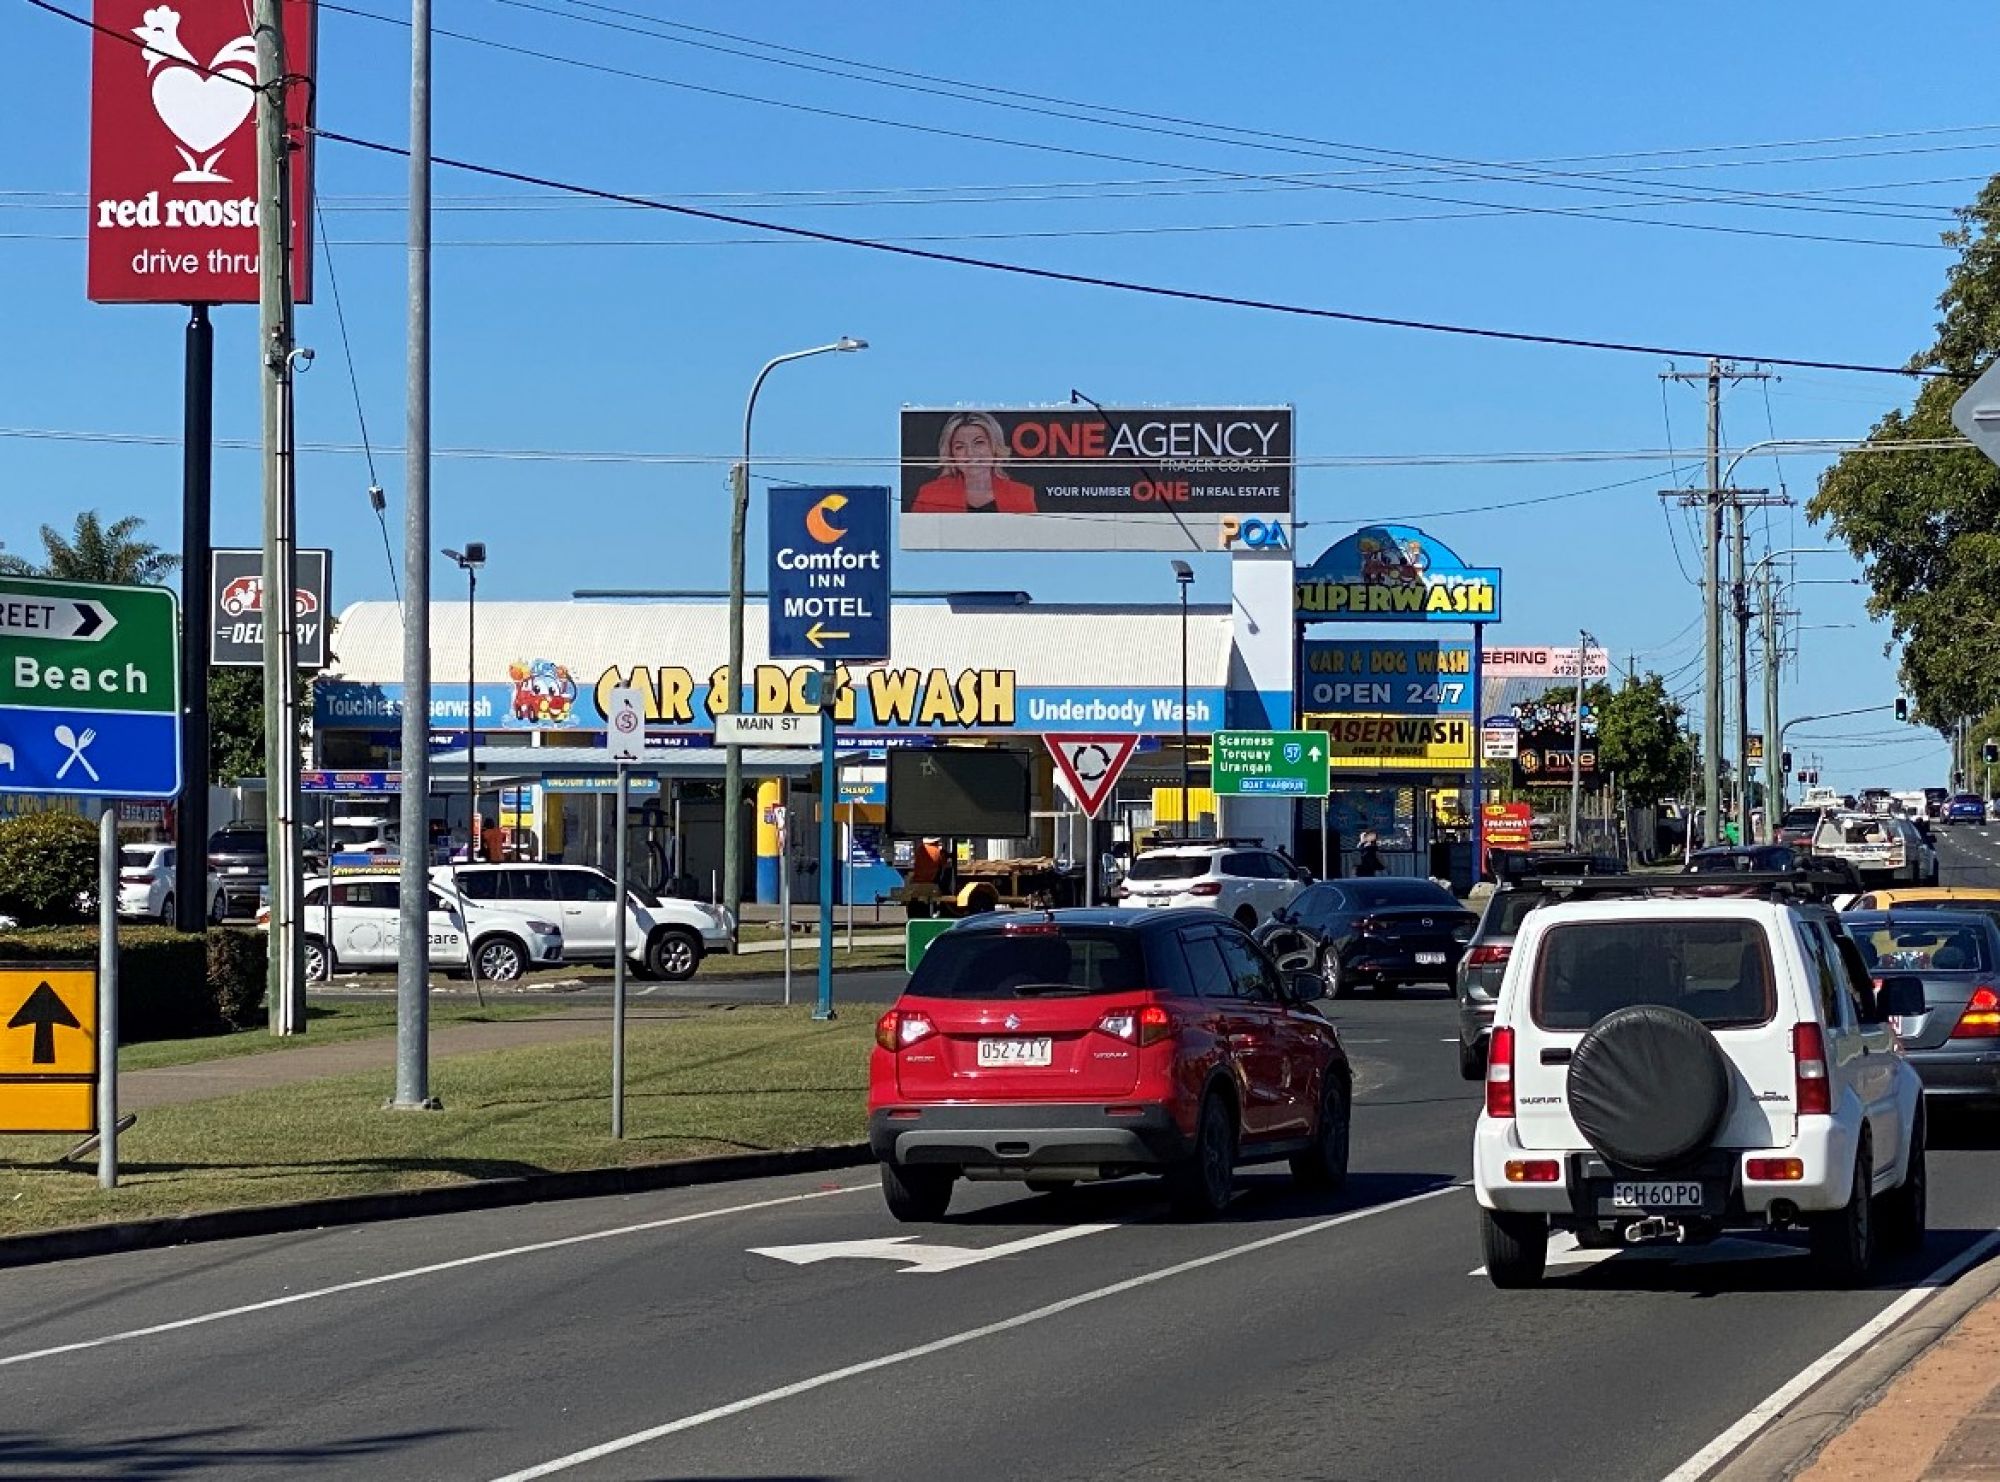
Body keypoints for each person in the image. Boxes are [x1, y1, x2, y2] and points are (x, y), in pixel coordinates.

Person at [909, 412, 1038, 514]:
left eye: (979, 443)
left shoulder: (1022, 495)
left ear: (994, 447)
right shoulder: (930, 495)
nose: (970, 453)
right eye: (960, 447)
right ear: (951, 454)